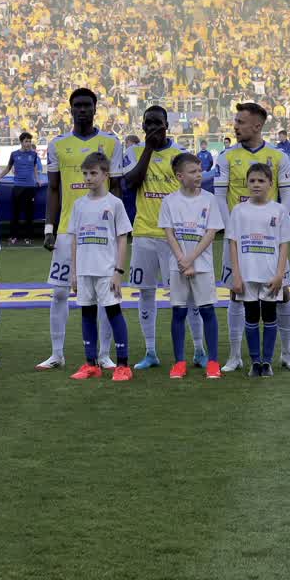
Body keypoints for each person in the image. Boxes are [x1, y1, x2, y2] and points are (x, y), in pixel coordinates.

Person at [38, 88, 120, 371]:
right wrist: (49, 227)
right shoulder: (57, 144)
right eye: (77, 105)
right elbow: (53, 189)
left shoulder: (111, 142)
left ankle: (104, 354)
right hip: (67, 230)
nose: (82, 110)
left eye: (87, 105)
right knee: (60, 292)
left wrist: (117, 226)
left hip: (102, 232)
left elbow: (117, 186)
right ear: (70, 109)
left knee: (105, 294)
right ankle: (56, 354)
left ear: (95, 108)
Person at [216, 102, 290, 372]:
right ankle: (235, 355)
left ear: (257, 126)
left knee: (281, 293)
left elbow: (287, 196)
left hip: (270, 240)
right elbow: (220, 197)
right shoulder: (226, 157)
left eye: (240, 122)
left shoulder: (278, 157)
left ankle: (287, 353)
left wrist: (275, 227)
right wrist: (232, 231)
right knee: (236, 293)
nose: (235, 126)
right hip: (238, 239)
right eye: (236, 121)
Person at [115, 104, 194, 370]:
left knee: (184, 295)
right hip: (144, 234)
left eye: (157, 123)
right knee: (145, 293)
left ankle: (198, 350)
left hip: (175, 238)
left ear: (167, 126)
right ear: (142, 126)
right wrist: (148, 148)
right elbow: (130, 183)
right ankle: (150, 352)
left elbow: (191, 192)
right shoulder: (134, 152)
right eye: (148, 123)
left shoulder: (180, 154)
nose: (153, 128)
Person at [66, 151, 134, 381]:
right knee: (87, 313)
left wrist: (118, 271)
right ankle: (91, 363)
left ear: (105, 174)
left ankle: (123, 365)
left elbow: (123, 239)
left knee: (113, 312)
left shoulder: (115, 204)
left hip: (107, 271)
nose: (88, 178)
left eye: (93, 173)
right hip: (85, 271)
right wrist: (74, 272)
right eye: (85, 173)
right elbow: (75, 239)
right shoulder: (79, 205)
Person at [158, 152, 225, 379]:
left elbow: (211, 233)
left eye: (200, 171)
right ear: (179, 176)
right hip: (178, 265)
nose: (198, 175)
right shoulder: (169, 201)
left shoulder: (209, 199)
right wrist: (182, 259)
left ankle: (213, 362)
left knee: (207, 310)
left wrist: (191, 259)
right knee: (178, 311)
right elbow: (169, 233)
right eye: (193, 171)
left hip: (202, 265)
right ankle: (179, 362)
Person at [230, 163, 290, 378]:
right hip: (247, 274)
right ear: (247, 184)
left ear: (270, 184)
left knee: (269, 316)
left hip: (270, 275)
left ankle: (267, 362)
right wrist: (237, 275)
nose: (256, 184)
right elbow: (233, 243)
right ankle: (255, 361)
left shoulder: (279, 210)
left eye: (261, 181)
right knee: (250, 316)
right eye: (252, 181)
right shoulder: (239, 211)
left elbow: (284, 244)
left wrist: (279, 274)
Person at [0, 131, 42, 245]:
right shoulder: (14, 154)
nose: (28, 143)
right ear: (21, 142)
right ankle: (13, 237)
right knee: (15, 213)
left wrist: (37, 179)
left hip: (30, 187)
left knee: (29, 214)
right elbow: (8, 168)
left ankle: (28, 238)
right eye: (26, 141)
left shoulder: (34, 154)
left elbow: (35, 168)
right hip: (17, 187)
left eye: (30, 141)